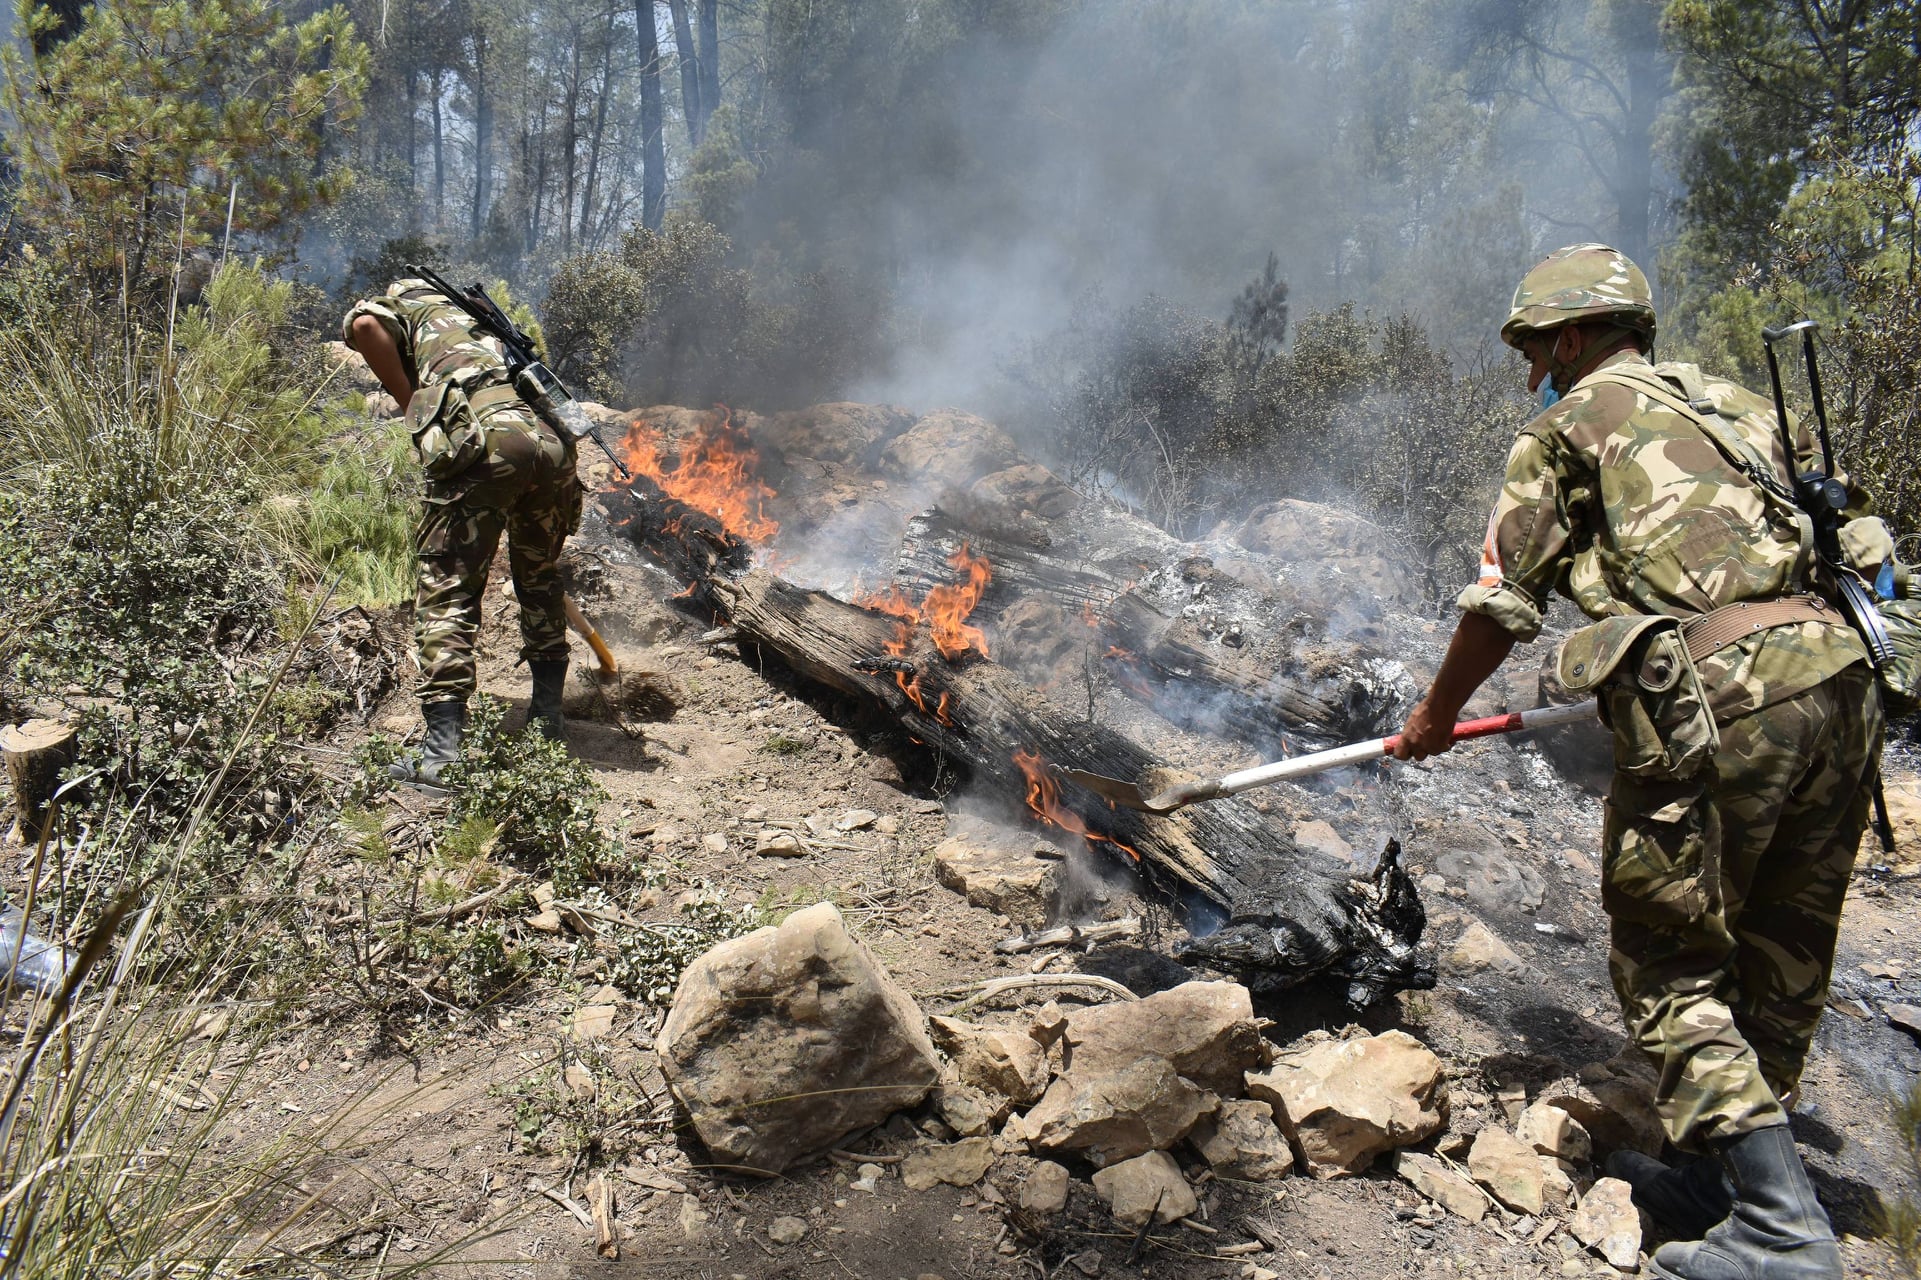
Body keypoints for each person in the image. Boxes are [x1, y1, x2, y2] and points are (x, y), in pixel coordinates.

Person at [1393, 244, 1887, 1280]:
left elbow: (1501, 604)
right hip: (1844, 684)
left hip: (1725, 700)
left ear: (1573, 335)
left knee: (1665, 961)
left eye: (1536, 347)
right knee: (1783, 946)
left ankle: (1782, 1234)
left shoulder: (1565, 425)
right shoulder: (1741, 407)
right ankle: (1725, 1178)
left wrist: (1436, 715)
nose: (1534, 370)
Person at [344, 279, 584, 794]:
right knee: (539, 580)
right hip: (554, 443)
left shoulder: (401, 303)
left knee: (448, 588)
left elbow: (365, 327)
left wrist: (414, 404)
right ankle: (547, 726)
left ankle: (441, 758)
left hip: (488, 441)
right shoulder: (482, 321)